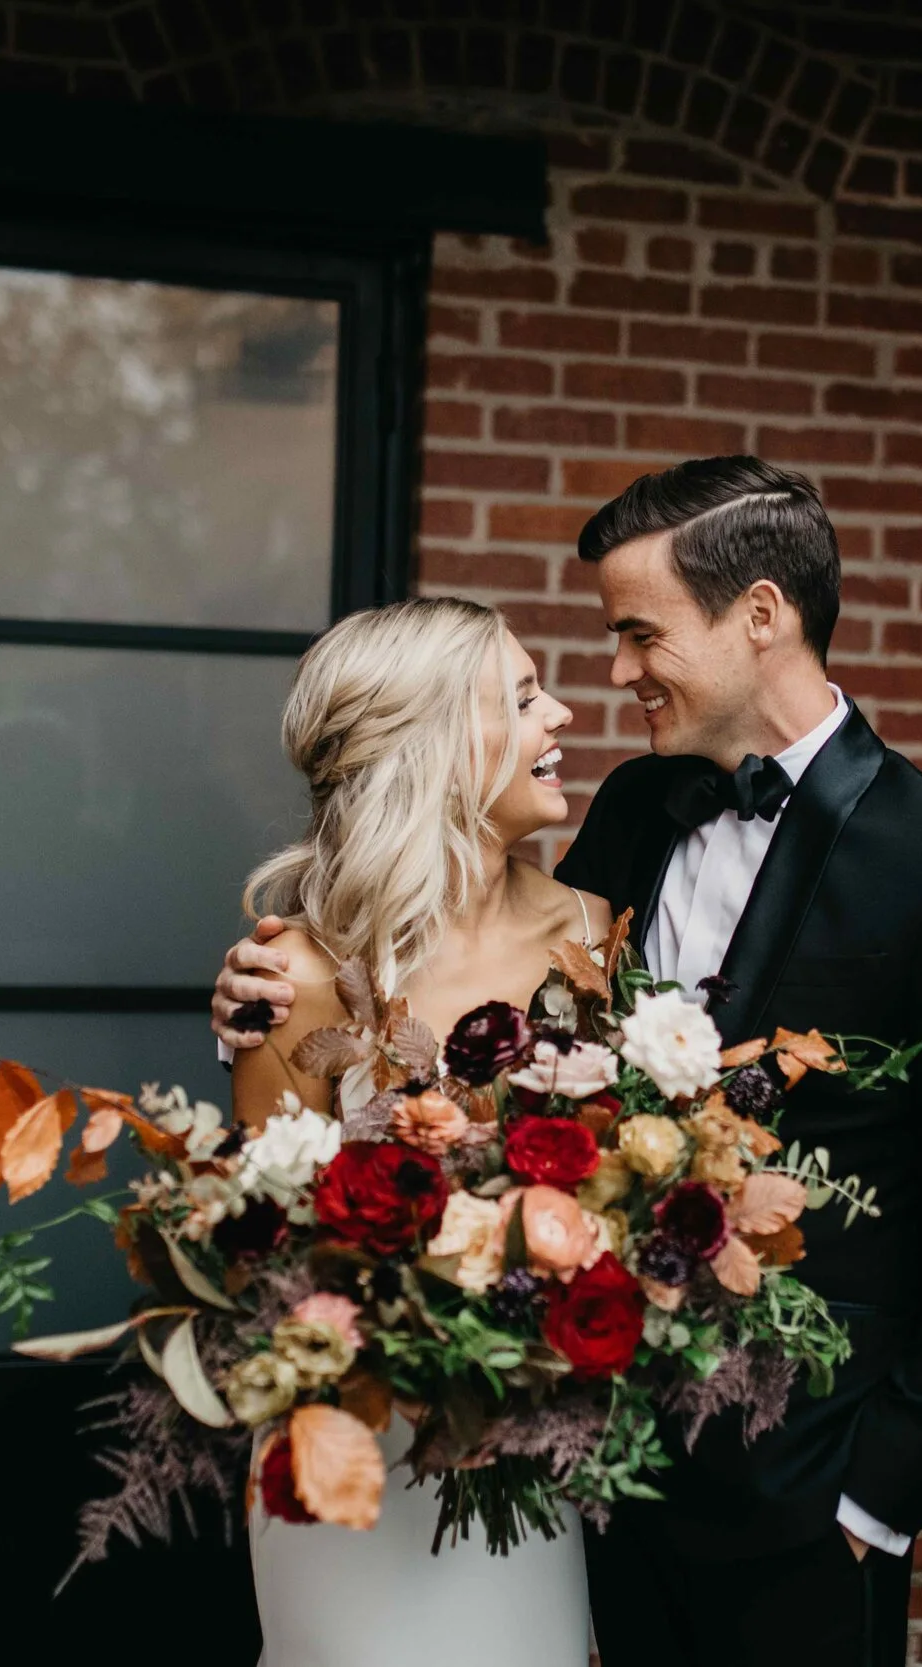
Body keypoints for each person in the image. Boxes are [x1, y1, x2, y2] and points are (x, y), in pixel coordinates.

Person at [216, 457, 922, 1667]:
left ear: (761, 615)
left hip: (797, 1511)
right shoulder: (627, 811)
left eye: (637, 631)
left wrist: (871, 1501)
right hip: (582, 1484)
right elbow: (461, 983)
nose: (611, 672)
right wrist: (273, 996)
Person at [227, 595, 602, 1667]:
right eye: (525, 697)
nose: (562, 713)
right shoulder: (290, 972)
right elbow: (262, 1254)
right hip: (353, 1450)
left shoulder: (588, 934)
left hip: (524, 1440)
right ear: (438, 743)